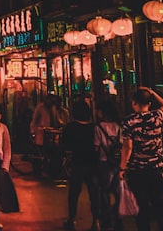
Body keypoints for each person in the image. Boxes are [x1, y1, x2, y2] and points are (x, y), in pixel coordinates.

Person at [120, 86, 163, 231]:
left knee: (141, 207)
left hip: (138, 170)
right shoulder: (157, 117)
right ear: (149, 104)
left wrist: (122, 168)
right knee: (160, 205)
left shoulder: (129, 121)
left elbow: (127, 148)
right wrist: (152, 92)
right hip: (157, 169)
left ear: (133, 102)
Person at [61, 99, 101, 231]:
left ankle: (71, 220)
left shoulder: (70, 127)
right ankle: (96, 221)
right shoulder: (95, 127)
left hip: (77, 164)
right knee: (94, 194)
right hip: (93, 165)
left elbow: (65, 146)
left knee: (73, 194)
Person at [94, 99, 123, 231]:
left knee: (104, 191)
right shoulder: (119, 127)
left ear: (102, 112)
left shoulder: (98, 127)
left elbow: (96, 147)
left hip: (103, 162)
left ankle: (106, 219)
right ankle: (117, 218)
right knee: (118, 192)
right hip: (117, 163)